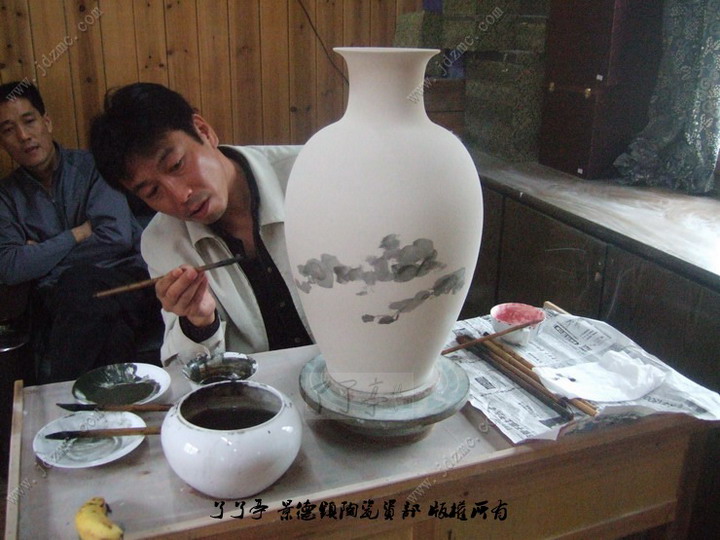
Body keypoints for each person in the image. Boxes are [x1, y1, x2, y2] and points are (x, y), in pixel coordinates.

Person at [89, 83, 312, 364]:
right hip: (257, 386)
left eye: (176, 165)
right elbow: (181, 366)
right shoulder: (162, 241)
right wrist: (199, 322)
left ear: (204, 131)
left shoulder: (311, 171)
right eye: (153, 192)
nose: (180, 196)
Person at [0, 81, 159, 383]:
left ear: (47, 122)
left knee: (80, 287)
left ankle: (64, 401)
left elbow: (116, 236)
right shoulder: (6, 197)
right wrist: (75, 234)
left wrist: (40, 254)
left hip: (126, 279)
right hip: (63, 300)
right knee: (106, 325)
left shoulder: (93, 166)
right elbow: (9, 267)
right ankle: (109, 404)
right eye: (8, 130)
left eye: (29, 121)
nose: (23, 136)